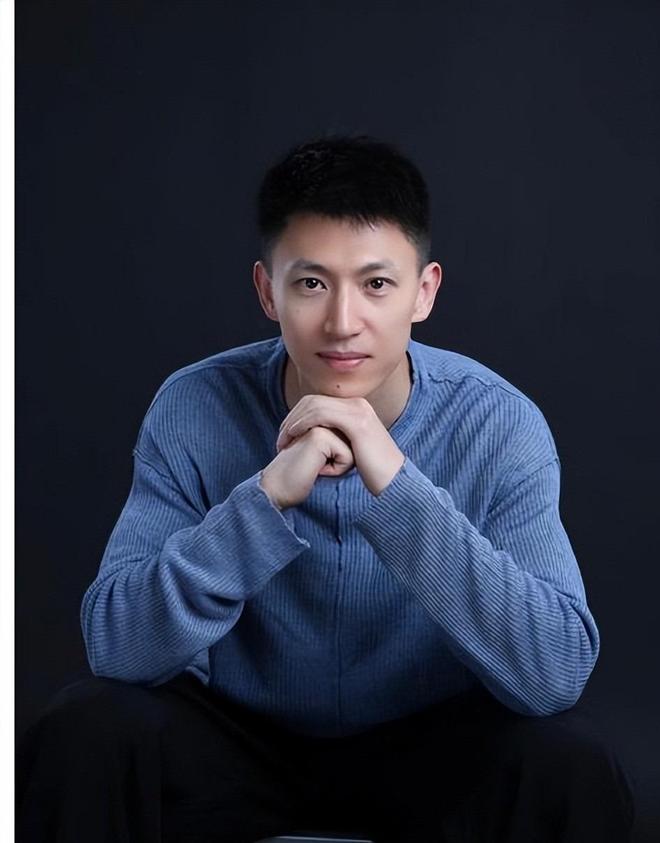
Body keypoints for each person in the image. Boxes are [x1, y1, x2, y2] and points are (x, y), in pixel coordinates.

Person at [17, 135, 635, 842]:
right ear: (267, 291)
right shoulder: (194, 406)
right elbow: (118, 648)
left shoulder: (497, 422)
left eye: (377, 285)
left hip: (430, 748)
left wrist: (394, 483)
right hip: (238, 745)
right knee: (85, 730)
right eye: (311, 284)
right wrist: (263, 500)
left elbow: (554, 670)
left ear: (424, 292)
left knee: (569, 761)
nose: (343, 324)